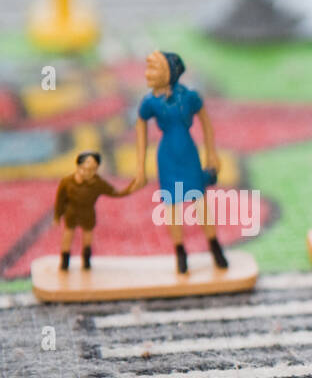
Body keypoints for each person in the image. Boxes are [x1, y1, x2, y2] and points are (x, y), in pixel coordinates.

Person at [133, 50, 228, 274]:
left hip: (188, 154)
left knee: (200, 203)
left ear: (169, 72)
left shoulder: (189, 97)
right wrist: (140, 166)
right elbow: (140, 128)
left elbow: (206, 123)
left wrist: (211, 153)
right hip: (167, 158)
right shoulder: (150, 102)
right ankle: (180, 252)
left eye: (153, 69)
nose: (147, 74)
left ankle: (214, 246)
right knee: (172, 207)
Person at [53, 152, 140, 271]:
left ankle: (86, 261)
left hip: (88, 214)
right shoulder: (67, 182)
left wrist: (131, 187)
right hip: (71, 214)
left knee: (88, 238)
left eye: (92, 170)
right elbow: (60, 200)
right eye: (85, 168)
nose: (88, 173)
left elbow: (115, 192)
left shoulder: (98, 183)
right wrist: (57, 216)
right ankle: (64, 261)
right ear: (78, 167)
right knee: (67, 237)